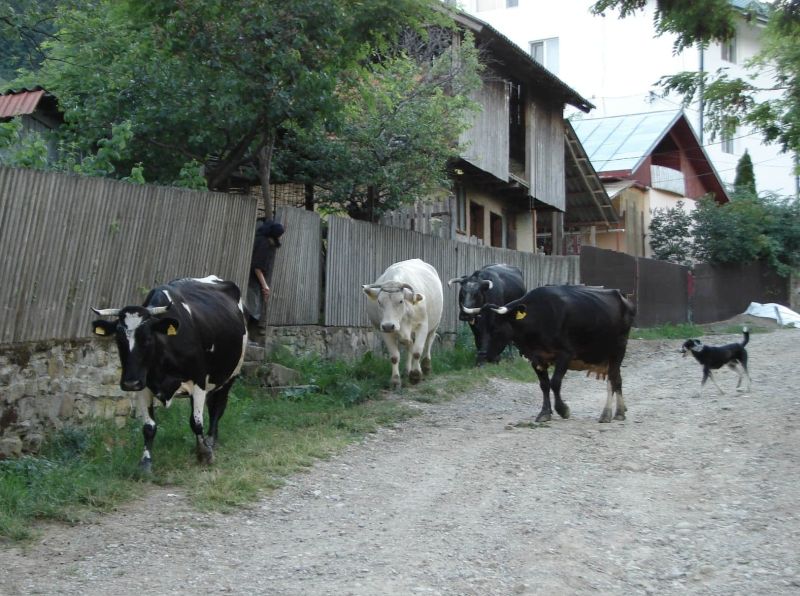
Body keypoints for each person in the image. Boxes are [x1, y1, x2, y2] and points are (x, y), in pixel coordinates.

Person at [246, 218, 285, 338]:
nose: (281, 238)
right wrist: (265, 286)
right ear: (275, 235)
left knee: (254, 308)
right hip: (253, 280)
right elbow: (257, 267)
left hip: (255, 280)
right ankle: (248, 337)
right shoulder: (264, 244)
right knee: (253, 309)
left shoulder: (262, 240)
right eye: (280, 235)